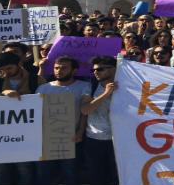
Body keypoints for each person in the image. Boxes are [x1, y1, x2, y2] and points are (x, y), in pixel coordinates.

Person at [0, 52, 46, 184]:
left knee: (24, 168)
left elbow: (45, 103)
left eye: (9, 68)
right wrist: (3, 93)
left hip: (27, 134)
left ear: (19, 64)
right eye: (2, 70)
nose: (6, 72)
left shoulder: (36, 80)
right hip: (1, 134)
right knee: (0, 169)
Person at [35, 56, 90, 185]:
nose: (59, 71)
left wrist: (80, 132)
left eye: (64, 68)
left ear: (74, 70)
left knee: (70, 174)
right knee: (45, 175)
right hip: (46, 140)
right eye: (56, 68)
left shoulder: (84, 86)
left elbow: (84, 112)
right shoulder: (43, 88)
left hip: (71, 139)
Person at [80, 56, 118, 185]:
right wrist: (105, 94)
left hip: (118, 141)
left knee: (116, 176)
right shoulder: (90, 86)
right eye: (93, 70)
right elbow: (85, 110)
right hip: (94, 140)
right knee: (97, 176)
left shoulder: (127, 86)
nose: (96, 72)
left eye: (100, 69)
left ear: (113, 69)